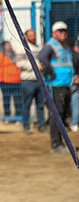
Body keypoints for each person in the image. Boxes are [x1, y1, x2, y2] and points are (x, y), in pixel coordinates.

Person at [37, 21, 76, 153]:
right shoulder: (51, 46)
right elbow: (41, 56)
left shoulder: (65, 46)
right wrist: (51, 71)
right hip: (55, 85)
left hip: (65, 84)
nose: (63, 33)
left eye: (64, 31)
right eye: (60, 31)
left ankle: (60, 142)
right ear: (54, 33)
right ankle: (56, 144)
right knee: (56, 114)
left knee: (62, 115)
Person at [15, 29, 47, 133]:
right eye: (31, 35)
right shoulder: (21, 49)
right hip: (27, 81)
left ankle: (41, 125)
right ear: (25, 36)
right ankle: (26, 126)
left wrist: (42, 66)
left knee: (40, 104)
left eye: (34, 35)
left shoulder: (38, 48)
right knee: (27, 104)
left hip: (39, 81)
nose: (33, 37)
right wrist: (35, 67)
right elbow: (19, 63)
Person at [0, 41, 22, 123]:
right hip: (5, 82)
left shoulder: (14, 55)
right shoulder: (0, 56)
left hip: (16, 81)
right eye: (7, 46)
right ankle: (8, 117)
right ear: (3, 47)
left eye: (10, 45)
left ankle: (18, 117)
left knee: (18, 100)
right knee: (6, 100)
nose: (9, 47)